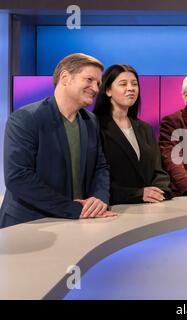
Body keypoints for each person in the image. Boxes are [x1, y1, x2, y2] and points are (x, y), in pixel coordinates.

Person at [0, 53, 114, 228]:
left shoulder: (90, 121)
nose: (96, 88)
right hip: (28, 224)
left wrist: (99, 199)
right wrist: (73, 209)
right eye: (89, 80)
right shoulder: (25, 118)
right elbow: (18, 177)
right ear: (65, 77)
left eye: (98, 83)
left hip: (75, 222)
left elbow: (101, 166)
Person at [93, 64, 172, 204]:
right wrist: (137, 194)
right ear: (108, 90)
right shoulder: (95, 126)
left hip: (152, 209)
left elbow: (159, 171)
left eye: (134, 84)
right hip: (115, 209)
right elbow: (96, 178)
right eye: (123, 84)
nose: (131, 88)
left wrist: (159, 191)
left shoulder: (145, 128)